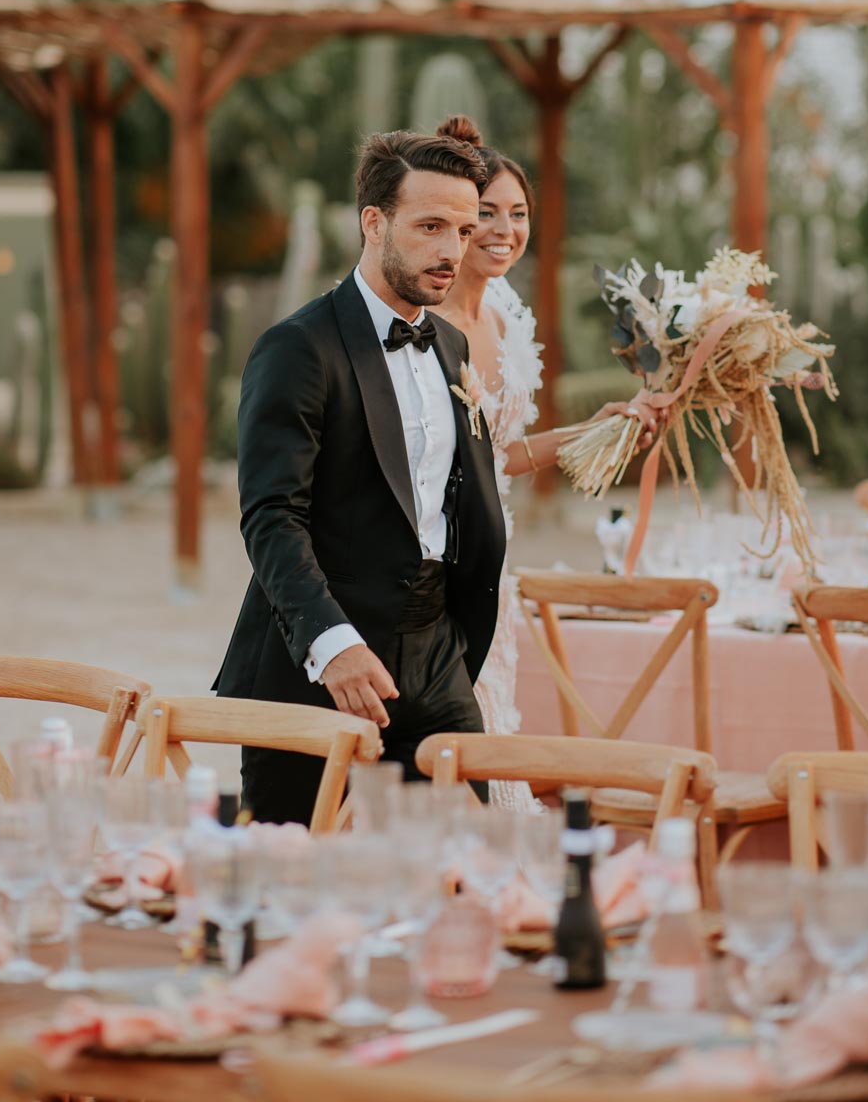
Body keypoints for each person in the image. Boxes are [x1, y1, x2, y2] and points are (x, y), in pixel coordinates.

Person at [214, 124, 506, 826]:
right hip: (317, 669)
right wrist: (331, 644)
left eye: (463, 231)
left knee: (460, 870)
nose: (450, 252)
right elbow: (270, 516)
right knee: (291, 883)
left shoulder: (452, 346)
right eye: (430, 226)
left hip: (438, 664)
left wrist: (455, 646)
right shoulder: (296, 348)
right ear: (373, 223)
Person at [433, 116, 652, 810]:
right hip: (430, 570)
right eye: (486, 213)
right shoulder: (419, 318)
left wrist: (587, 432)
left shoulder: (501, 314)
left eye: (517, 214)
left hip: (492, 562)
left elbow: (496, 457)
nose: (503, 229)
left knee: (491, 720)